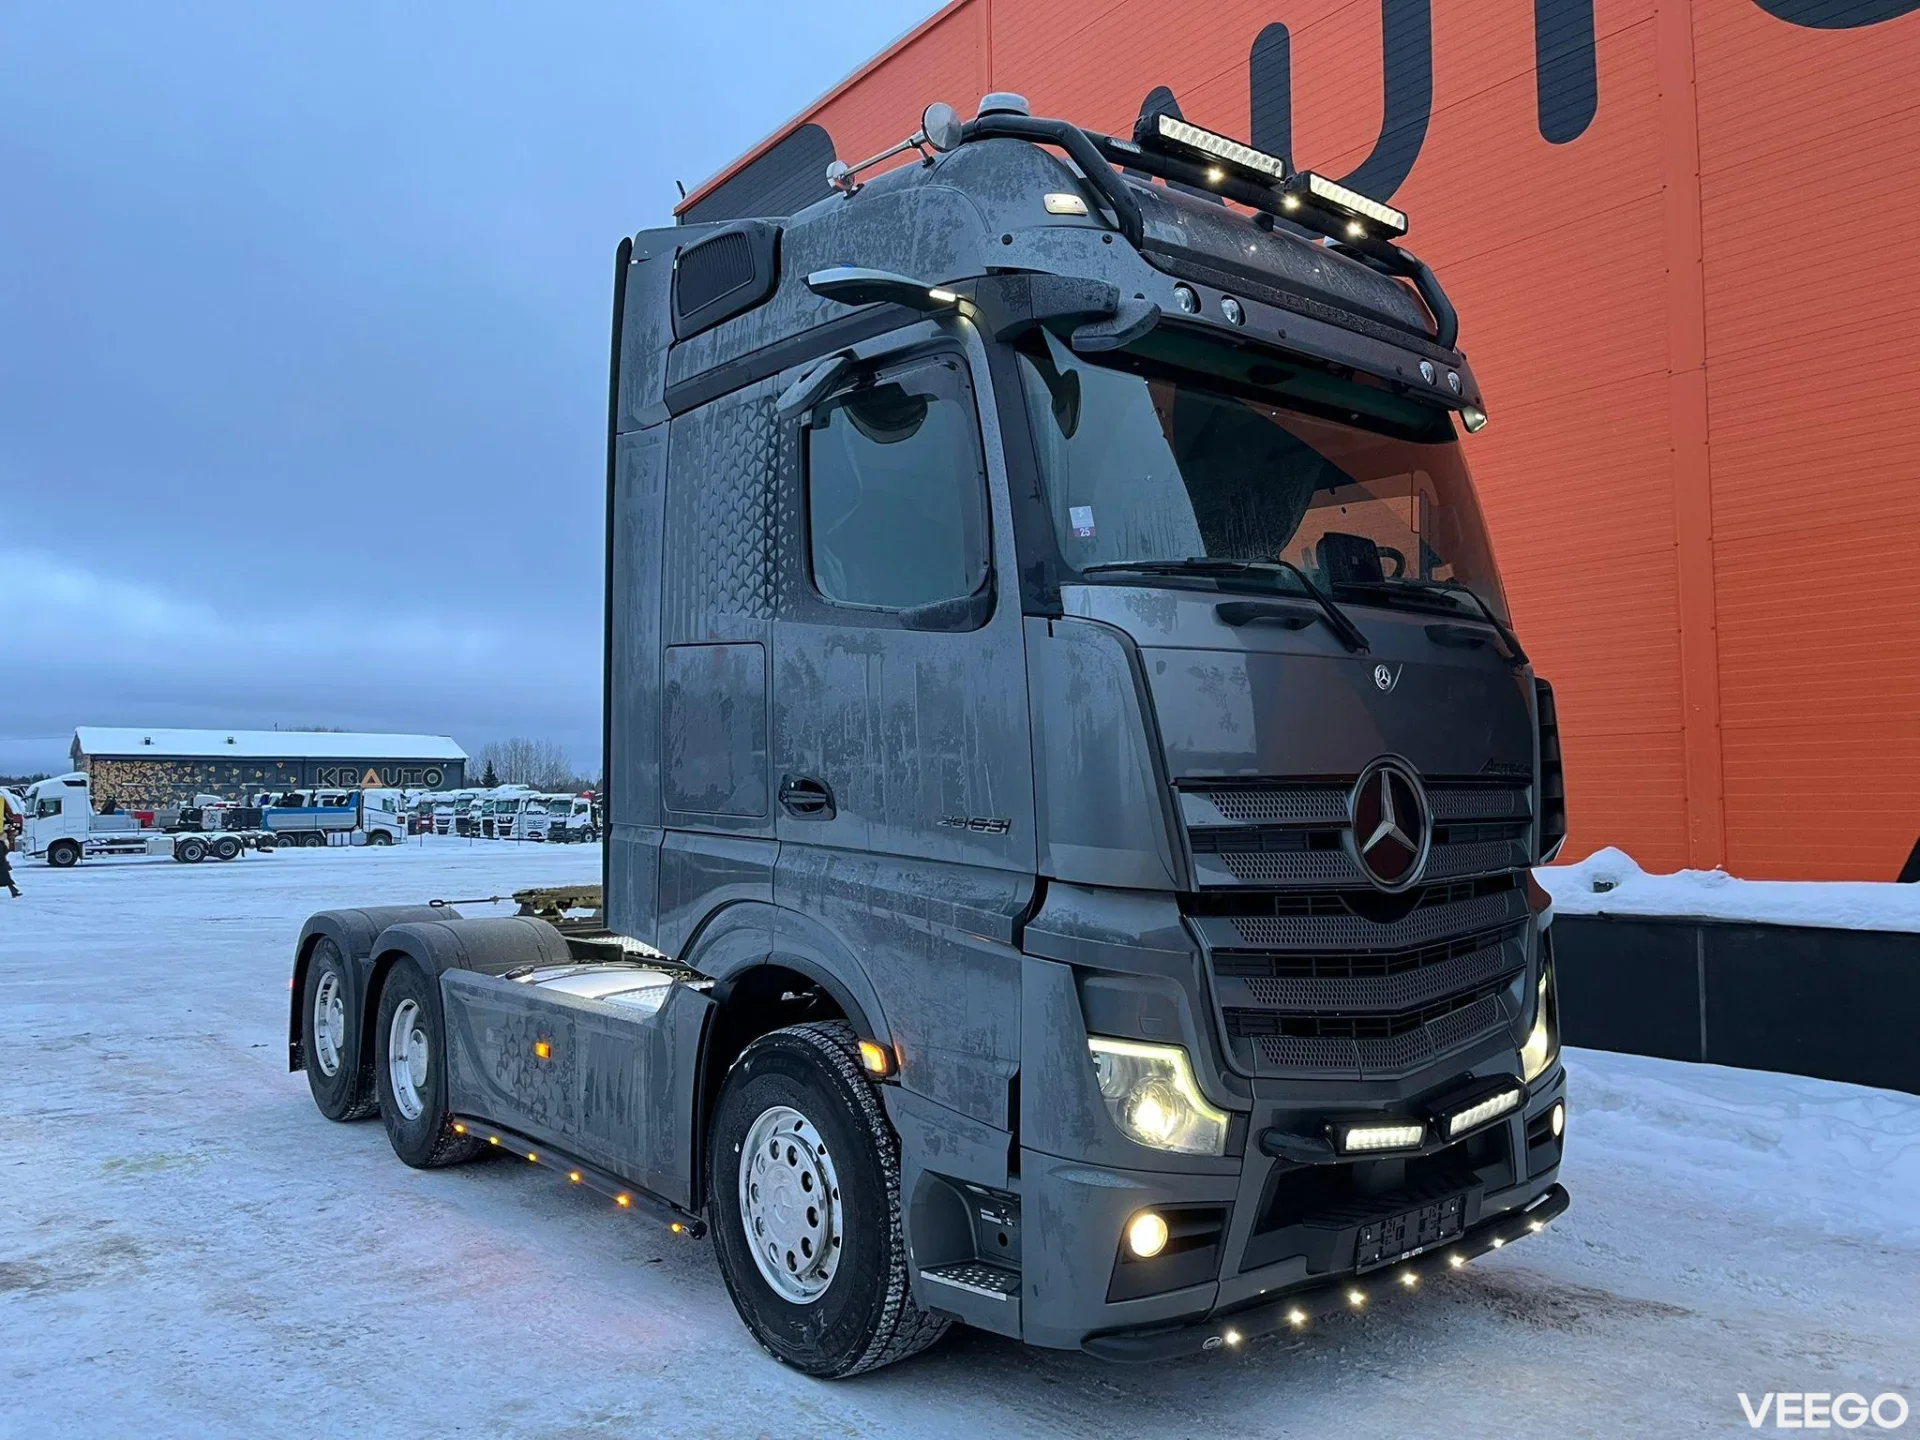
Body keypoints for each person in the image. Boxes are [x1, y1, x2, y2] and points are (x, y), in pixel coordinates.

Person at [0, 832, 19, 898]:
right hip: (1, 865)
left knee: (7, 880)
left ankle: (14, 892)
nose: (5, 837)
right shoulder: (0, 844)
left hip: (2, 865)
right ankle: (14, 892)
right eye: (4, 836)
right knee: (7, 880)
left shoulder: (2, 843)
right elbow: (1, 855)